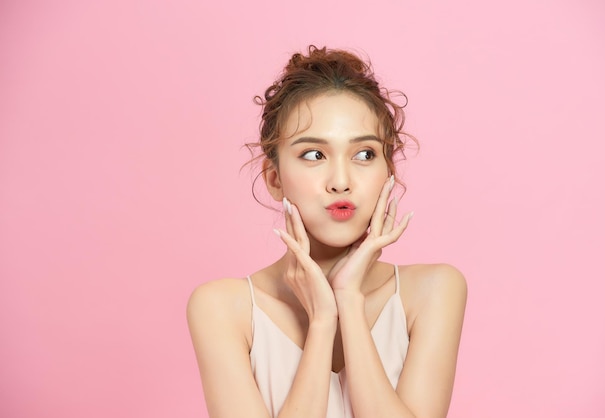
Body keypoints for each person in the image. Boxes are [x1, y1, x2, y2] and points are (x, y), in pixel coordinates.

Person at [187, 45, 467, 418]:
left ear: (389, 172)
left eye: (364, 154)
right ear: (274, 178)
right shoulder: (223, 308)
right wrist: (322, 322)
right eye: (314, 155)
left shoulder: (433, 291)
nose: (340, 181)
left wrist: (348, 300)